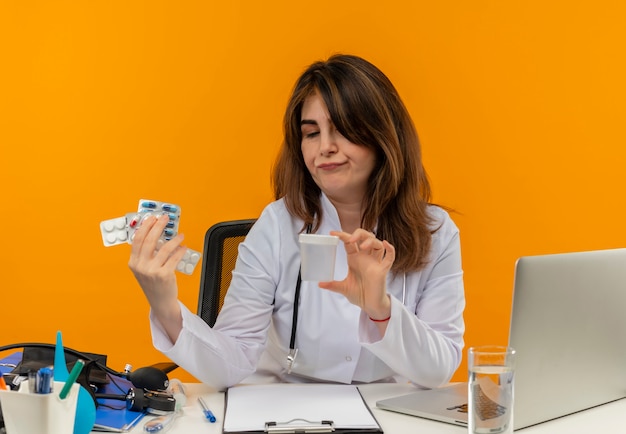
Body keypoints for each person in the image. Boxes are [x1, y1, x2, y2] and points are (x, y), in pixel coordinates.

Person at [129, 54, 465, 391]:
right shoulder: (276, 225)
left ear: (383, 137)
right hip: (281, 408)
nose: (325, 148)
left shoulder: (435, 232)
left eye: (343, 131)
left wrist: (380, 309)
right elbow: (229, 365)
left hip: (381, 409)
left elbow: (438, 372)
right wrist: (165, 305)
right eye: (311, 133)